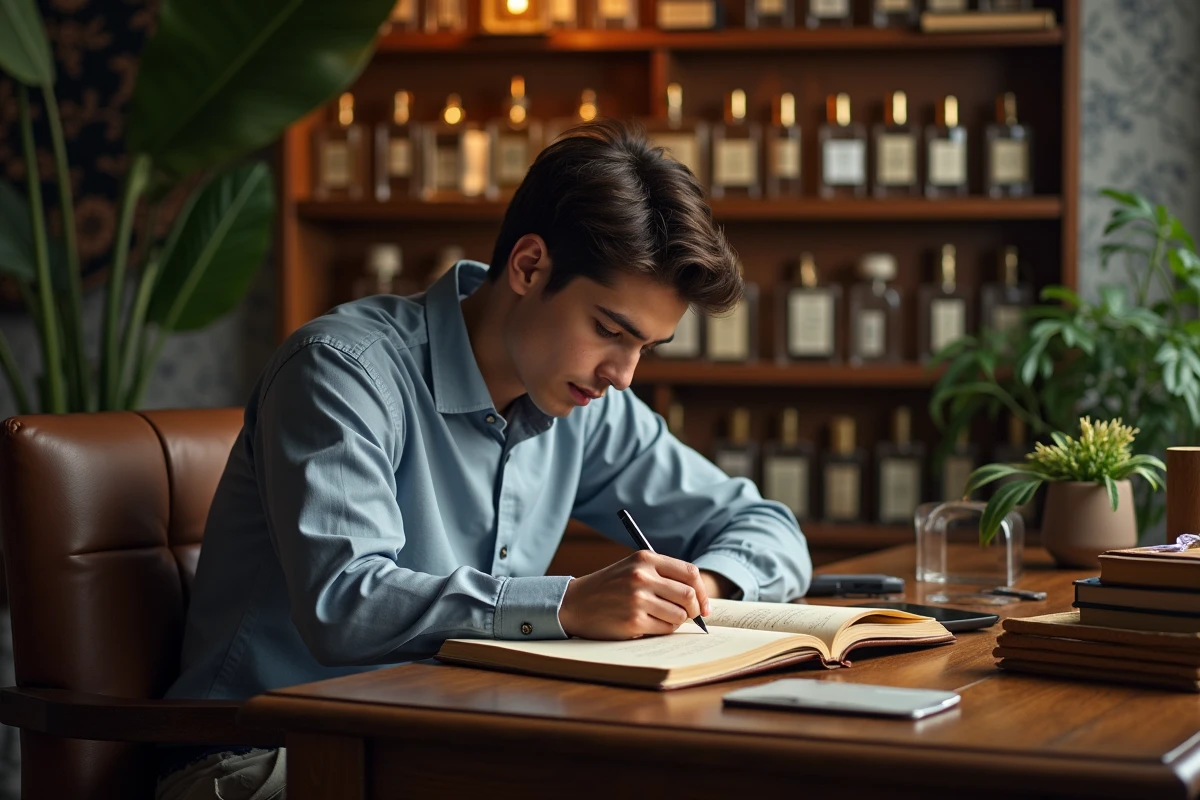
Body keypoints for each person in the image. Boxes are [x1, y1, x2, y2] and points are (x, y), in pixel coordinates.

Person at [155, 119, 811, 799]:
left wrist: (705, 587)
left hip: (445, 742)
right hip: (266, 759)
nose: (624, 374)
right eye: (610, 330)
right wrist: (569, 604)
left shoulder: (586, 403)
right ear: (529, 267)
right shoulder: (342, 372)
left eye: (648, 346)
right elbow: (344, 604)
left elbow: (765, 525)